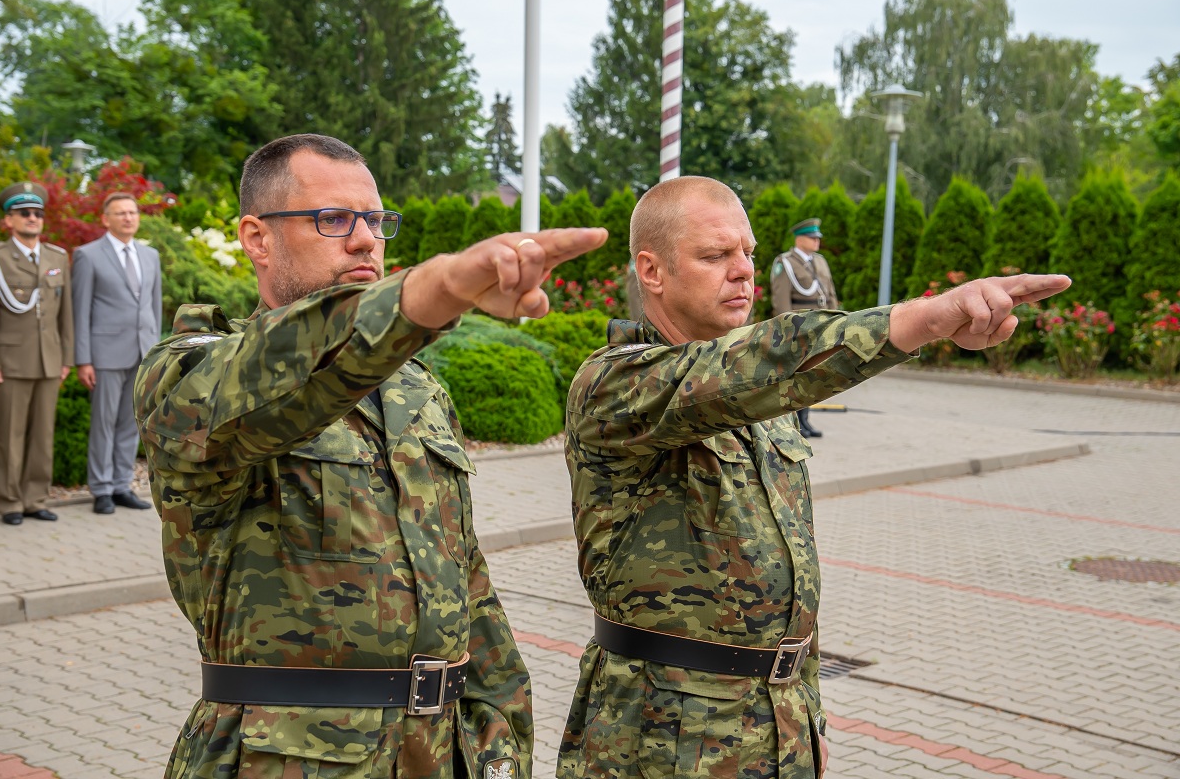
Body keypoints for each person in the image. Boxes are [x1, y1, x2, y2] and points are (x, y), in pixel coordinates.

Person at [557, 176, 1069, 779]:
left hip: (776, 727)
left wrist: (807, 716)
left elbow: (793, 581)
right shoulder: (613, 386)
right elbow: (758, 361)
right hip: (663, 739)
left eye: (747, 251)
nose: (744, 270)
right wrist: (927, 318)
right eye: (715, 255)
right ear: (652, 271)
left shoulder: (766, 402)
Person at [134, 133, 606, 779]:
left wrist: (499, 742)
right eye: (333, 219)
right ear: (256, 238)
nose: (365, 240)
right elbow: (285, 368)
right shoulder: (190, 373)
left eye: (376, 220)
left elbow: (467, 584)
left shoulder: (417, 391)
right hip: (289, 758)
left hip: (439, 754)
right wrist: (436, 288)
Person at [0, 182, 74, 526]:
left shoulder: (57, 257)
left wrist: (67, 357)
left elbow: (66, 312)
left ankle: (35, 499)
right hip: (9, 362)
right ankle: (9, 503)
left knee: (42, 435)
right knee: (10, 435)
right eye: (24, 213)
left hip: (49, 360)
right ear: (9, 220)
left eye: (37, 213)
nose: (32, 218)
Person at [72, 192, 161, 515]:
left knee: (130, 423)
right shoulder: (87, 255)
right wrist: (83, 359)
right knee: (104, 424)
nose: (128, 218)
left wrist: (155, 351)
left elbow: (153, 306)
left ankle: (122, 486)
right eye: (120, 213)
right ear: (105, 219)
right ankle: (101, 489)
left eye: (132, 212)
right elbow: (80, 310)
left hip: (141, 352)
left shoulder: (150, 255)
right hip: (105, 354)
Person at [770, 218, 839, 438]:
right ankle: (795, 422)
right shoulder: (785, 263)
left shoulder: (820, 261)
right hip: (800, 327)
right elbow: (781, 299)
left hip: (820, 325)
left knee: (813, 374)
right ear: (799, 239)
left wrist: (835, 320)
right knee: (797, 375)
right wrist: (788, 330)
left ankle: (805, 420)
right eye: (812, 237)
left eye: (818, 237)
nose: (817, 241)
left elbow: (830, 293)